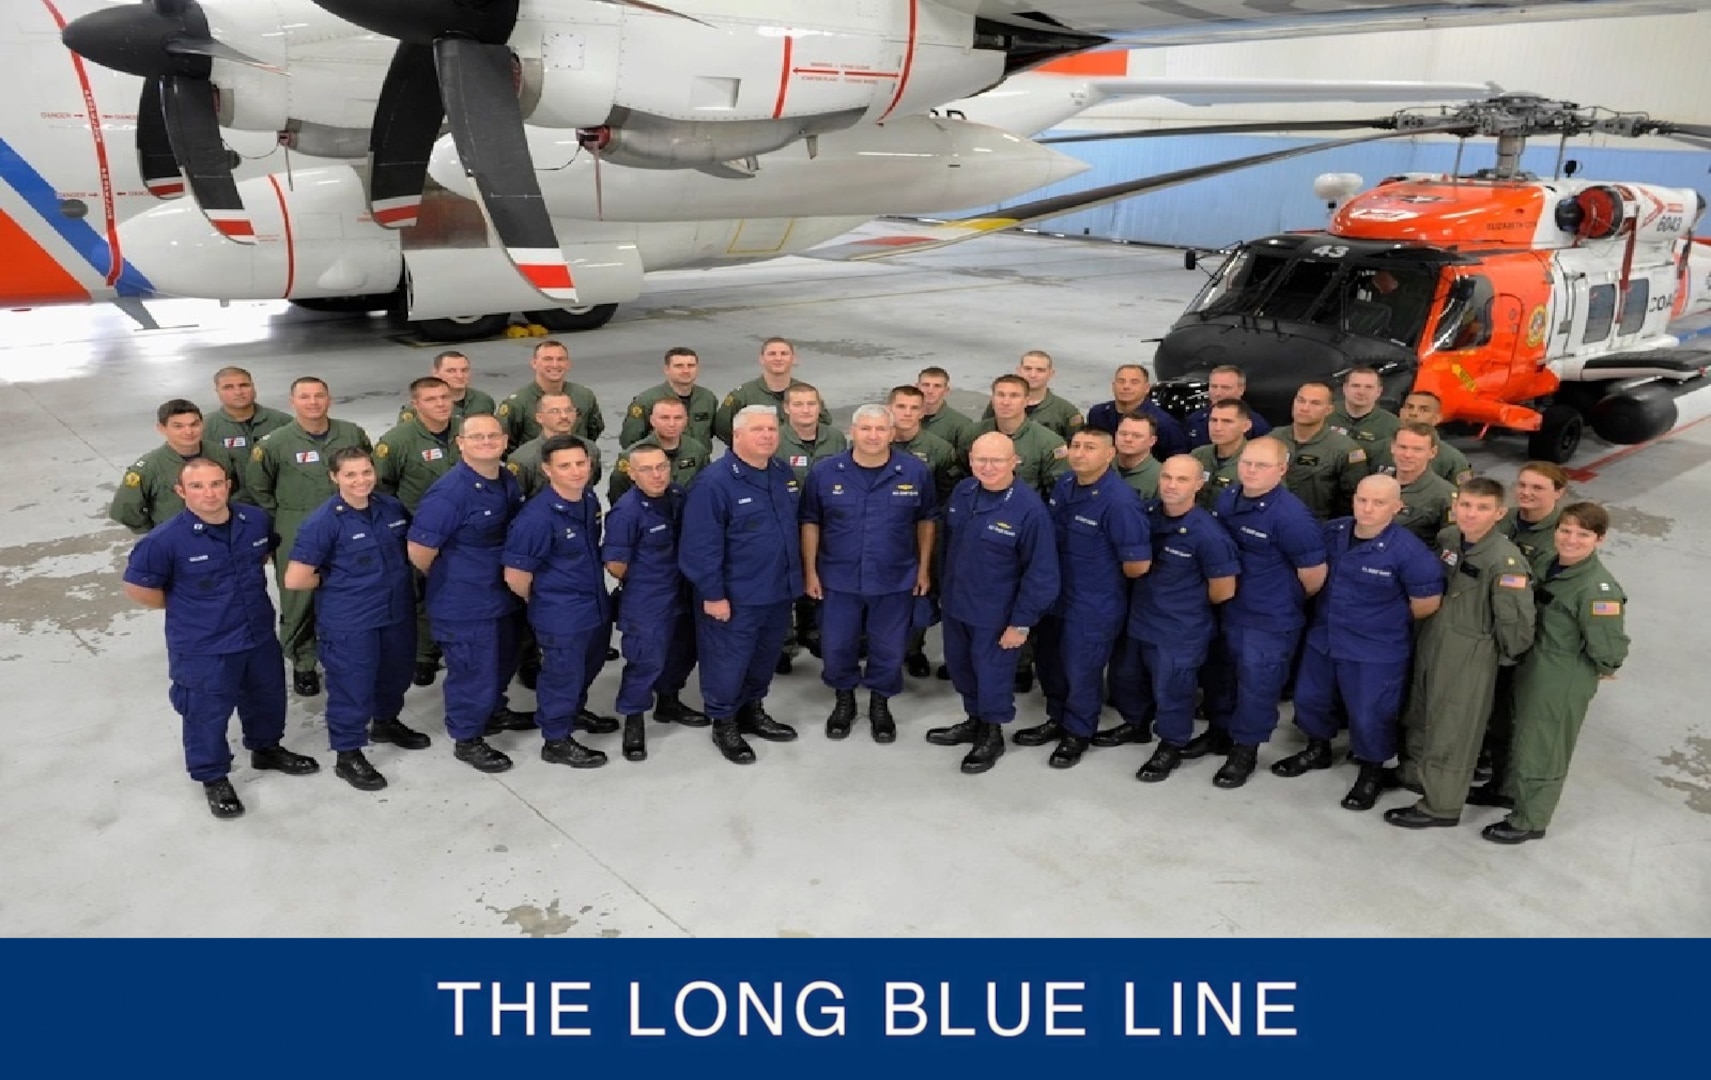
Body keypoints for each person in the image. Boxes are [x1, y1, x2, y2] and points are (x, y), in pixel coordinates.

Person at [122, 458, 319, 819]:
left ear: (228, 485)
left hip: (256, 633)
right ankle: (213, 776)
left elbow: (262, 555)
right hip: (204, 645)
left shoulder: (254, 521)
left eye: (216, 484)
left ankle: (266, 748)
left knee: (267, 697)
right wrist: (189, 608)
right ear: (181, 492)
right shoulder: (164, 542)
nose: (209, 493)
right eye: (197, 486)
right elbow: (140, 590)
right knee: (205, 713)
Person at [1270, 475, 1443, 810]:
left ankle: (1371, 771)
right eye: (1362, 499)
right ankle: (1317, 749)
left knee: (1370, 714)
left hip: (1375, 649)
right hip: (1326, 637)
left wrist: (1381, 623)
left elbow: (1426, 604)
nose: (1368, 508)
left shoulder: (1409, 552)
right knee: (1310, 698)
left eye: (1379, 503)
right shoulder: (1334, 532)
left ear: (1397, 507)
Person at [1385, 478, 1535, 830]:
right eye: (1465, 505)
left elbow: (1516, 625)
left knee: (1453, 727)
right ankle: (1415, 776)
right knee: (1420, 710)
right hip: (1434, 636)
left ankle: (1442, 805)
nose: (1471, 514)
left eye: (1482, 508)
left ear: (1499, 513)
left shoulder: (1505, 562)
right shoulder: (1449, 539)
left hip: (1471, 649)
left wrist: (1497, 660)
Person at [1482, 502, 1628, 844]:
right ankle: (1507, 792)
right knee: (1518, 733)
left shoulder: (1596, 589)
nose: (1571, 539)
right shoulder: (1549, 563)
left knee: (1543, 747)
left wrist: (1603, 670)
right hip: (1533, 666)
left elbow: (1608, 648)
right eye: (1565, 530)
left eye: (1583, 534)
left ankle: (1530, 820)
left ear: (1600, 540)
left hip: (1561, 677)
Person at [283, 447, 426, 792]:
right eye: (350, 474)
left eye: (365, 472)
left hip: (395, 612)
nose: (360, 480)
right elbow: (296, 579)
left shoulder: (390, 508)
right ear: (334, 477)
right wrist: (337, 582)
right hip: (351, 621)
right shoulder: (323, 522)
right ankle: (348, 754)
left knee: (396, 673)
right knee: (353, 685)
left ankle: (386, 722)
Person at [925, 432, 1060, 775]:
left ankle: (992, 734)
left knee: (993, 677)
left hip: (996, 615)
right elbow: (948, 548)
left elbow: (1041, 574)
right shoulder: (964, 492)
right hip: (957, 605)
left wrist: (1021, 623)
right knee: (960, 668)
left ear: (1014, 461)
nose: (988, 467)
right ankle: (974, 720)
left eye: (997, 460)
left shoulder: (1029, 510)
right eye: (980, 459)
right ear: (970, 460)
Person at [1014, 428, 1150, 769]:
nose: (1079, 453)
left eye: (1090, 448)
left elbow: (1137, 564)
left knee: (1082, 671)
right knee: (1051, 665)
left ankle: (1078, 731)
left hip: (1093, 605)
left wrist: (1102, 585)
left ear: (1109, 455)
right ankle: (1057, 717)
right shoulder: (1065, 485)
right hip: (1055, 598)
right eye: (1075, 446)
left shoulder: (1119, 501)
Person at [802, 405, 937, 743]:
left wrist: (923, 568)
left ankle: (880, 703)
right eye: (866, 429)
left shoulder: (914, 472)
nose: (873, 436)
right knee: (836, 646)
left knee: (889, 648)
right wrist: (810, 571)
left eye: (880, 429)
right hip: (838, 579)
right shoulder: (825, 472)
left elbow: (926, 521)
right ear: (853, 431)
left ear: (893, 433)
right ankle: (844, 701)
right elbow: (810, 523)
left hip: (895, 579)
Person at [407, 413, 532, 774]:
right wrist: (456, 576)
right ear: (460, 444)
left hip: (502, 594)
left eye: (493, 436)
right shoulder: (451, 493)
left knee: (502, 660)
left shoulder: (504, 478)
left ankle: (493, 712)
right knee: (472, 669)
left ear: (505, 440)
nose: (487, 442)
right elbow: (419, 551)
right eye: (477, 437)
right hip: (465, 601)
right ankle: (468, 737)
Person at [679, 405, 804, 764]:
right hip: (735, 596)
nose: (767, 435)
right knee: (727, 662)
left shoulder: (781, 473)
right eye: (758, 430)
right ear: (736, 436)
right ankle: (724, 722)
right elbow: (700, 547)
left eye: (771, 429)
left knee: (765, 656)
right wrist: (713, 594)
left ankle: (752, 709)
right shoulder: (714, 483)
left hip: (777, 590)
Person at [1199, 437, 1327, 788]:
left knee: (1258, 685)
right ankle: (1219, 732)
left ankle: (1245, 750)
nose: (1251, 471)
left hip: (1268, 618)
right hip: (1229, 607)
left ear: (1282, 470)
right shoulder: (1230, 497)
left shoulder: (1292, 517)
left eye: (1261, 465)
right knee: (1221, 675)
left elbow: (1313, 576)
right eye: (1247, 463)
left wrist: (1280, 599)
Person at [1109, 455, 1239, 782]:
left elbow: (1223, 590)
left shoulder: (1209, 534)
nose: (1171, 485)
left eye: (1182, 480)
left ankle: (1171, 744)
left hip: (1180, 629)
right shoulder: (1148, 515)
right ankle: (1137, 725)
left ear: (1199, 484)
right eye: (1167, 477)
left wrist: (1187, 604)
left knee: (1173, 691)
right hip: (1140, 618)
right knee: (1127, 678)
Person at [247, 377, 373, 697]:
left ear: (329, 399)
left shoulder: (351, 432)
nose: (313, 402)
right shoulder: (274, 444)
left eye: (319, 395)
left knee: (350, 589)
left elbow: (367, 468)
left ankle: (349, 655)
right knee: (299, 598)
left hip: (350, 521)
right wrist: (283, 521)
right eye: (305, 397)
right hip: (295, 523)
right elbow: (259, 488)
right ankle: (303, 662)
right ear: (293, 402)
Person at [502, 436, 613, 770]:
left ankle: (575, 713)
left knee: (588, 666)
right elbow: (515, 575)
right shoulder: (536, 518)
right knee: (561, 675)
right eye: (565, 465)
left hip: (593, 604)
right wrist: (547, 604)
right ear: (547, 470)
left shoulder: (589, 500)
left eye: (581, 463)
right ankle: (556, 739)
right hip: (561, 613)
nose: (576, 471)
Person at [603, 443, 707, 762]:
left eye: (661, 466)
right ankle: (634, 721)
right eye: (646, 469)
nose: (656, 474)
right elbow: (615, 563)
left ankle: (668, 702)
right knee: (645, 659)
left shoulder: (677, 496)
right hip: (647, 599)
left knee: (682, 650)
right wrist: (648, 578)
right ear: (632, 474)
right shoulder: (627, 511)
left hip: (682, 592)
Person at [375, 376, 462, 686]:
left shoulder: (468, 432)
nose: (440, 404)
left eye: (444, 397)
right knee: (419, 595)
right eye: (431, 399)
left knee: (459, 591)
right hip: (418, 532)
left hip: (464, 532)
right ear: (416, 404)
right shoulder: (397, 441)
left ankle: (456, 649)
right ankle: (424, 654)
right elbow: (383, 488)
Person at [888, 385, 959, 678]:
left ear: (923, 411)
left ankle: (913, 650)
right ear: (890, 407)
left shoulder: (939, 449)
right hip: (883, 532)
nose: (907, 413)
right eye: (901, 407)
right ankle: (885, 650)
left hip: (923, 532)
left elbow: (948, 494)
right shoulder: (877, 440)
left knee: (921, 592)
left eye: (914, 408)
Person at [111, 399, 241, 532]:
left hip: (221, 530)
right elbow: (125, 510)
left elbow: (235, 488)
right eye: (178, 426)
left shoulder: (220, 453)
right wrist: (158, 531)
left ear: (202, 424)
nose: (189, 431)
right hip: (178, 537)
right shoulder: (148, 467)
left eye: (194, 424)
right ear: (161, 428)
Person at [1274, 381, 1367, 520]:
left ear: (1329, 410)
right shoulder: (1272, 439)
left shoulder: (1345, 449)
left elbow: (1352, 500)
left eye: (1315, 403)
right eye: (1301, 400)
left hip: (1318, 525)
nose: (1305, 408)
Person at [713, 337, 829, 445]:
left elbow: (824, 424)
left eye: (784, 354)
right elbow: (722, 427)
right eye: (772, 354)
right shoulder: (743, 395)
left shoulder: (807, 394)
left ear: (793, 359)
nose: (778, 358)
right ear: (761, 359)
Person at [497, 340, 604, 449]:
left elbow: (593, 431)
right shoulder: (518, 403)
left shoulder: (584, 396)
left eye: (560, 359)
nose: (555, 364)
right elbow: (503, 442)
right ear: (534, 363)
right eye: (547, 359)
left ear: (568, 364)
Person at [974, 374, 1067, 498]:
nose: (1005, 402)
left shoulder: (1048, 443)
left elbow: (1058, 493)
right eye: (1000, 395)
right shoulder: (973, 434)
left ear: (1027, 401)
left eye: (1014, 396)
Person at [609, 398, 709, 502]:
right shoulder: (632, 455)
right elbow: (617, 493)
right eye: (664, 418)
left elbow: (705, 486)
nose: (672, 424)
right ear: (652, 420)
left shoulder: (697, 451)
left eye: (678, 418)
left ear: (686, 420)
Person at [619, 346, 718, 448]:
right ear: (667, 369)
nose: (686, 370)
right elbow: (630, 440)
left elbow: (716, 431)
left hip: (700, 461)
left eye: (691, 365)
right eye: (679, 366)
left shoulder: (707, 398)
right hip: (661, 462)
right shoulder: (647, 400)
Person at [508, 392, 603, 499]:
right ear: (539, 418)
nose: (564, 416)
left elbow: (591, 481)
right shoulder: (524, 459)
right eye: (554, 411)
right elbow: (513, 499)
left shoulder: (590, 448)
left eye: (569, 410)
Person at [1084, 363, 1188, 458]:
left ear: (1147, 388)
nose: (1126, 386)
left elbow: (1177, 460)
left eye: (1134, 382)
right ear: (1113, 386)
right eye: (1121, 381)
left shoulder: (1164, 424)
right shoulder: (1097, 414)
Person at [1368, 391, 1472, 485]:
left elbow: (1463, 495)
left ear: (1436, 418)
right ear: (1400, 412)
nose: (1413, 413)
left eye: (1423, 410)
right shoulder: (1377, 450)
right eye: (1409, 407)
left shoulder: (1453, 459)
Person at [1379, 422, 1456, 545]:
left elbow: (1451, 542)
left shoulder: (1445, 495)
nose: (1408, 455)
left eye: (1417, 449)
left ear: (1432, 452)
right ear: (1392, 447)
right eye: (1402, 447)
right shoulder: (1376, 484)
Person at [981, 350, 1084, 440]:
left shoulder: (1066, 411)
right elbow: (984, 431)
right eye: (1027, 369)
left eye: (1040, 370)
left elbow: (1075, 447)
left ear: (1051, 374)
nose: (1033, 375)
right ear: (1019, 370)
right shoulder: (1001, 404)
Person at [202, 366, 291, 462]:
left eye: (244, 385)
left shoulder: (283, 422)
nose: (238, 392)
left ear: (253, 387)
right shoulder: (205, 428)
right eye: (228, 387)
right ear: (217, 391)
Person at [1185, 365, 1271, 448]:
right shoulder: (1194, 419)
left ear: (1241, 390)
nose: (1218, 393)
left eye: (1225, 388)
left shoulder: (1257, 425)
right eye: (1214, 386)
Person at [399, 351, 496, 424]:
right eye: (451, 371)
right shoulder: (418, 408)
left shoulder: (483, 401)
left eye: (464, 370)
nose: (459, 376)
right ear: (436, 373)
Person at [1503, 461, 1570, 568]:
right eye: (1522, 485)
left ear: (1558, 493)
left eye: (1537, 488)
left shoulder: (1565, 534)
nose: (1526, 492)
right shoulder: (1499, 518)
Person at [1191, 399, 1252, 511]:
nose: (1217, 428)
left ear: (1246, 426)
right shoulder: (1197, 456)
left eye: (1227, 421)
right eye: (1213, 420)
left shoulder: (1256, 461)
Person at [1328, 367, 1402, 449]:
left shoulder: (1392, 425)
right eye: (1355, 386)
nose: (1361, 392)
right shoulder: (1325, 414)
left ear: (1379, 391)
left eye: (1369, 387)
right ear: (1345, 388)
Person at [916, 366, 976, 458]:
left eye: (937, 386)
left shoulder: (962, 425)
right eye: (926, 385)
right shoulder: (904, 418)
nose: (930, 391)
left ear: (946, 390)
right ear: (917, 387)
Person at [1113, 413, 1161, 498]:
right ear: (1116, 435)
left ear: (1152, 441)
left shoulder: (1161, 476)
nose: (1128, 439)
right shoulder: (1100, 467)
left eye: (1137, 436)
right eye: (1123, 434)